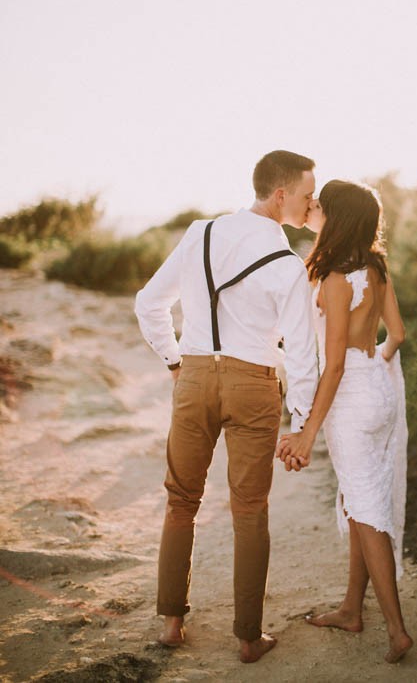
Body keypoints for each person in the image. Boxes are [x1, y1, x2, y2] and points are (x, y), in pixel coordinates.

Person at [135, 150, 318, 663]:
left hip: (193, 377)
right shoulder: (288, 265)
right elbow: (302, 354)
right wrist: (301, 423)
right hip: (253, 385)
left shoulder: (200, 233)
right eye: (307, 195)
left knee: (181, 501)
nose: (311, 204)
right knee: (250, 510)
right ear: (280, 194)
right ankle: (247, 638)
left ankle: (172, 624)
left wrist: (176, 362)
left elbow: (148, 303)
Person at [276, 179, 413, 663]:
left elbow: (332, 364)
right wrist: (374, 363)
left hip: (350, 399)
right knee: (361, 500)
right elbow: (395, 333)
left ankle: (397, 630)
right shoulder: (374, 267)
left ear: (338, 218)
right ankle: (352, 609)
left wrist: (307, 431)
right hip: (378, 387)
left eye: (322, 208)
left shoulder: (335, 280)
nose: (316, 212)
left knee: (367, 510)